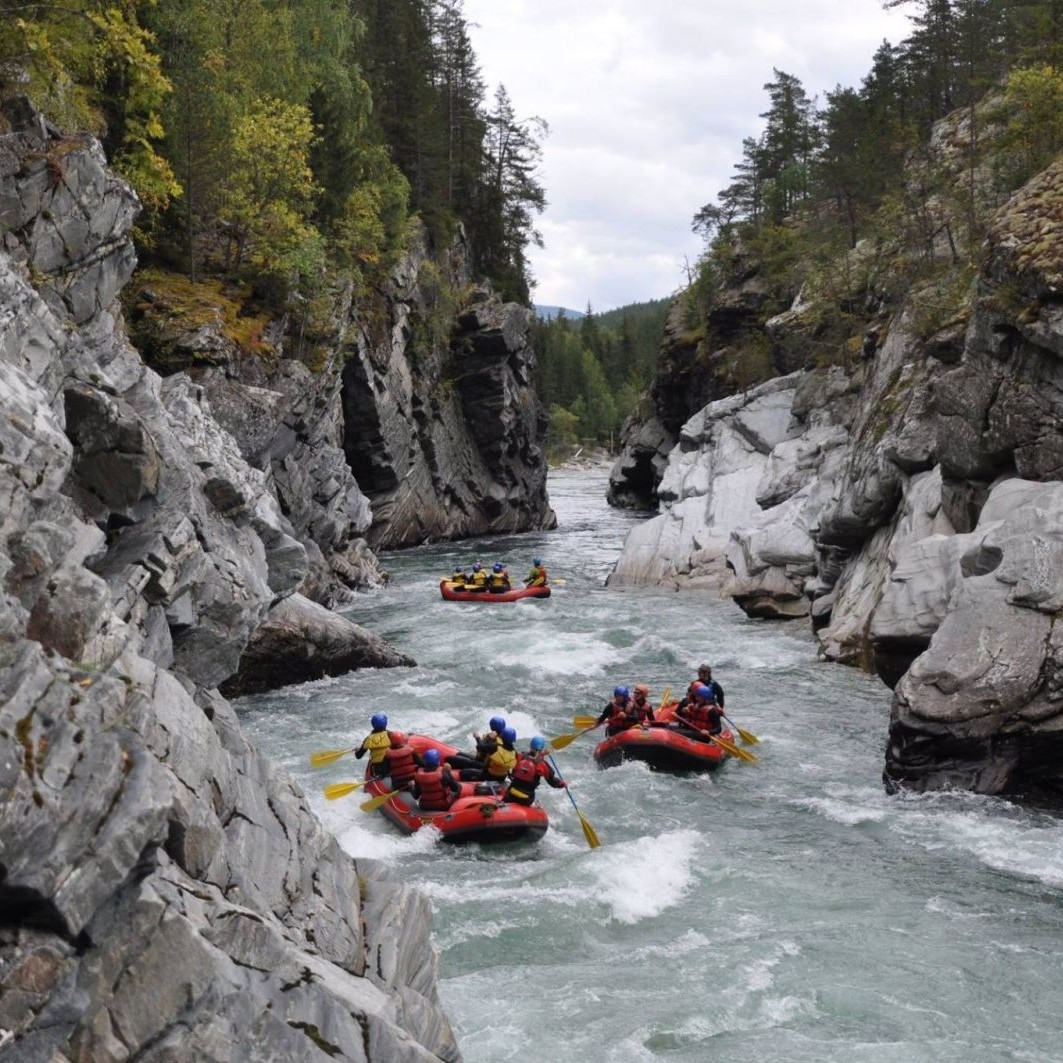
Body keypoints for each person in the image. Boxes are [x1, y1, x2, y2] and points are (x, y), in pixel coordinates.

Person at [504, 736, 566, 806]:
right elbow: (552, 781)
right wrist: (562, 783)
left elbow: (526, 759)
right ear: (541, 749)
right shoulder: (542, 764)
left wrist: (542, 754)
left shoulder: (520, 756)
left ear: (530, 746)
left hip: (510, 794)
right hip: (526, 799)